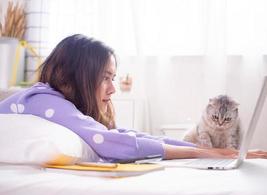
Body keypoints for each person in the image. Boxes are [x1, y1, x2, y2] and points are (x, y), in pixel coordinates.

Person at [0, 34, 266, 162]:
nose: (113, 89)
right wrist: (205, 153)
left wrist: (218, 152)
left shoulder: (65, 109)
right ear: (76, 75)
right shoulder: (43, 100)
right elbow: (111, 143)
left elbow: (128, 135)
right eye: (105, 77)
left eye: (113, 78)